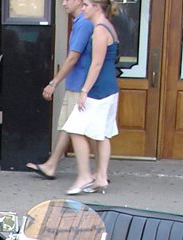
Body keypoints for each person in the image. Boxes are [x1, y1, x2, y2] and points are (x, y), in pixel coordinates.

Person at [25, 0, 93, 181]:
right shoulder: (81, 23)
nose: (63, 4)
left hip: (80, 85)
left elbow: (73, 57)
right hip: (76, 84)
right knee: (67, 126)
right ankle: (52, 165)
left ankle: (93, 174)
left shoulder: (83, 24)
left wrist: (54, 83)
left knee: (84, 130)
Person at [61, 0, 120, 195]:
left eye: (86, 4)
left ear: (96, 6)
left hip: (99, 89)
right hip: (110, 88)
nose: (83, 8)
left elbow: (96, 64)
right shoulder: (107, 27)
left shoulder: (100, 30)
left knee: (74, 128)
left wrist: (84, 91)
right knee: (102, 134)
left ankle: (85, 175)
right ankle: (101, 176)